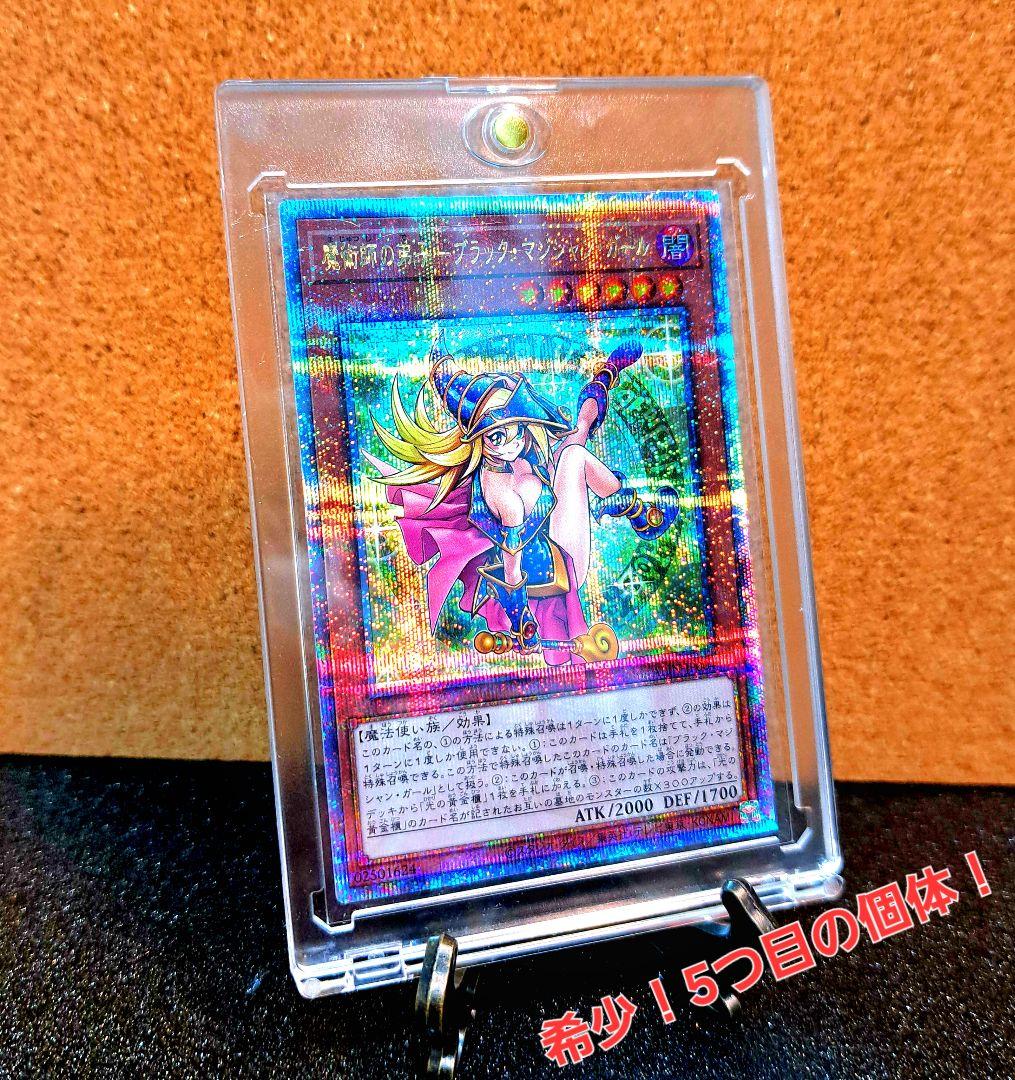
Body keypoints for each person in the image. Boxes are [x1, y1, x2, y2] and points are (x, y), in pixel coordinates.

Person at [365, 334, 678, 666]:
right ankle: (643, 515)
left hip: (553, 534)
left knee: (578, 433)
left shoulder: (518, 457)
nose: (512, 440)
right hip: (559, 568)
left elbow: (558, 450)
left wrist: (603, 378)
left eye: (516, 425)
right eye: (497, 435)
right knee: (574, 455)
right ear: (479, 439)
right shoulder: (502, 495)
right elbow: (512, 568)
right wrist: (521, 620)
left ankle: (607, 373)